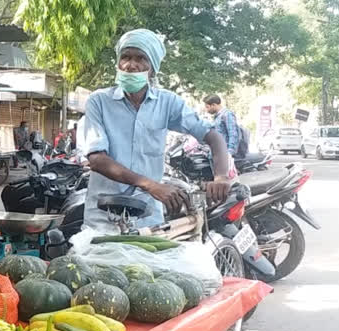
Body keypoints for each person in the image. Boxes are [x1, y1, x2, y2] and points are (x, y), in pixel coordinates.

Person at [81, 29, 233, 232]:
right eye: (125, 57)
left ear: (152, 68)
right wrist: (151, 185)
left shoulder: (168, 103)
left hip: (147, 218)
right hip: (103, 216)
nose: (130, 65)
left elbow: (213, 137)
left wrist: (221, 176)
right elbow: (97, 160)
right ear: (117, 63)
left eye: (140, 58)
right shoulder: (99, 101)